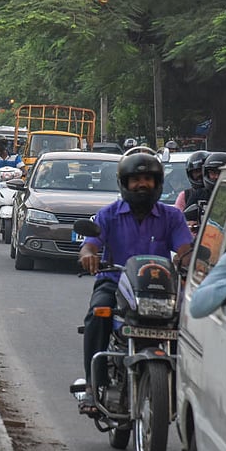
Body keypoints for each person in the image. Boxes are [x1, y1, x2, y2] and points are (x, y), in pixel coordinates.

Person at [76, 152, 193, 415]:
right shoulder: (109, 215)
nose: (142, 184)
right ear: (124, 184)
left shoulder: (172, 217)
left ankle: (185, 388)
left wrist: (190, 262)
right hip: (115, 283)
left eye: (148, 179)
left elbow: (185, 249)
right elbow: (90, 246)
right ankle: (93, 388)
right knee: (97, 314)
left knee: (189, 321)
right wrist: (88, 257)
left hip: (160, 288)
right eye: (136, 179)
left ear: (157, 183)